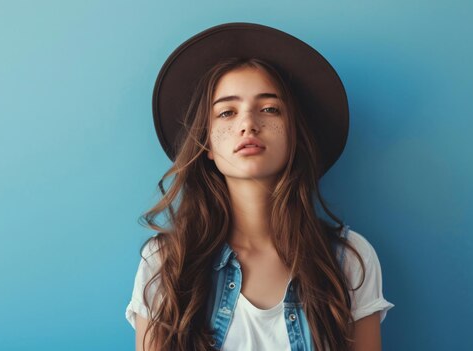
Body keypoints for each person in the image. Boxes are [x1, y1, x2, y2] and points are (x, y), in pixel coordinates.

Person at [125, 22, 394, 351]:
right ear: (206, 144)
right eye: (226, 112)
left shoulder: (349, 260)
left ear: (293, 134)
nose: (248, 124)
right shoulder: (167, 262)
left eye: (269, 109)